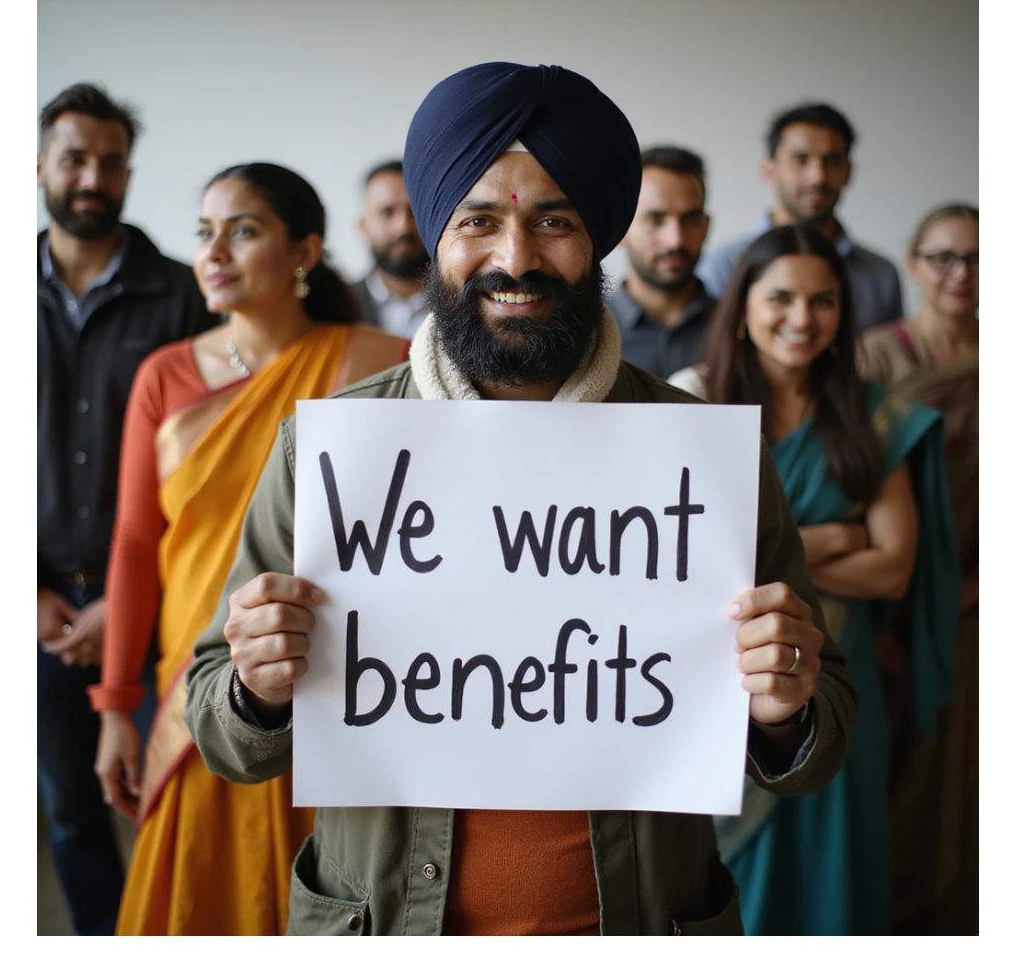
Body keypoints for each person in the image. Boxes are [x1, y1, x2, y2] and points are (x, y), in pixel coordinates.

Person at [184, 61, 860, 937]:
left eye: (554, 221)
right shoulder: (329, 451)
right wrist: (254, 690)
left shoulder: (703, 456)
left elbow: (820, 744)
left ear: (598, 241)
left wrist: (785, 708)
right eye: (478, 221)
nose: (515, 258)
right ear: (436, 235)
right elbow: (218, 727)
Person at [87, 163, 410, 935]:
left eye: (243, 230)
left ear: (305, 251)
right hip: (202, 686)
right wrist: (114, 708)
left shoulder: (383, 361)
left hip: (340, 676)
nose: (214, 251)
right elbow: (135, 545)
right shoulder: (165, 376)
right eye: (204, 233)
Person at [669, 224, 958, 935]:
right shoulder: (693, 400)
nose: (803, 319)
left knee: (834, 894)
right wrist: (836, 536)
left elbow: (892, 568)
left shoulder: (868, 409)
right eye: (782, 298)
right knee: (731, 892)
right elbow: (687, 564)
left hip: (834, 685)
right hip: (731, 686)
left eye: (824, 301)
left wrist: (770, 551)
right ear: (740, 308)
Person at [37, 81, 218, 936]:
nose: (92, 178)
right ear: (41, 166)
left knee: (167, 799)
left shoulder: (185, 296)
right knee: (69, 809)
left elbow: (213, 472)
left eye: (111, 163)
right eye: (75, 159)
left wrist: (120, 601)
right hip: (34, 612)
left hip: (152, 607)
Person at [858, 203, 978, 935]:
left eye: (978, 259)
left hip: (981, 607)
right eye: (943, 257)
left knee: (963, 779)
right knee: (890, 768)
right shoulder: (874, 359)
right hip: (886, 599)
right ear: (913, 265)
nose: (960, 274)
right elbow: (849, 484)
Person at [696, 102, 903, 331]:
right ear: (769, 170)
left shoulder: (880, 275)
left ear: (848, 172)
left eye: (832, 162)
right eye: (801, 160)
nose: (818, 177)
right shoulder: (723, 266)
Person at [608, 146, 716, 378]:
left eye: (690, 219)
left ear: (706, 227)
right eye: (655, 220)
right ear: (620, 230)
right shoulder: (585, 332)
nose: (675, 240)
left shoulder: (740, 326)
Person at [351, 159, 430, 338]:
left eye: (415, 212)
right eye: (387, 212)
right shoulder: (337, 307)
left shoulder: (467, 303)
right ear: (364, 227)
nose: (403, 227)